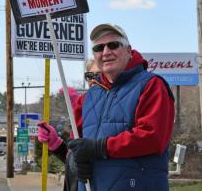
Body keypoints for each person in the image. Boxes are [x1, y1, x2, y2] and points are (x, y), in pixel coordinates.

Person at [68, 23, 175, 191]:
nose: (105, 52)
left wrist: (100, 148)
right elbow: (76, 142)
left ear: (128, 50)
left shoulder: (152, 85)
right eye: (98, 48)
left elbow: (153, 138)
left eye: (113, 45)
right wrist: (78, 160)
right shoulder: (88, 97)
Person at [37, 61, 100, 191]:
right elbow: (76, 158)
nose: (93, 80)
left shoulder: (114, 114)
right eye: (90, 76)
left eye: (99, 75)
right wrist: (56, 143)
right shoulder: (84, 111)